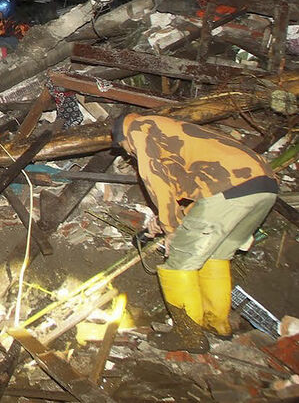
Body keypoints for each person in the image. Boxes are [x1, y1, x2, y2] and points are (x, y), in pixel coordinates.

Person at [112, 113, 277, 352]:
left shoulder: (137, 128)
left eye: (126, 151)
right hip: (262, 186)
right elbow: (202, 200)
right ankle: (217, 325)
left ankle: (189, 336)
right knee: (215, 256)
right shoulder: (173, 132)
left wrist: (170, 229)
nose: (130, 155)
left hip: (230, 187)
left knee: (179, 262)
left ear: (122, 137)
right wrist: (166, 220)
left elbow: (155, 179)